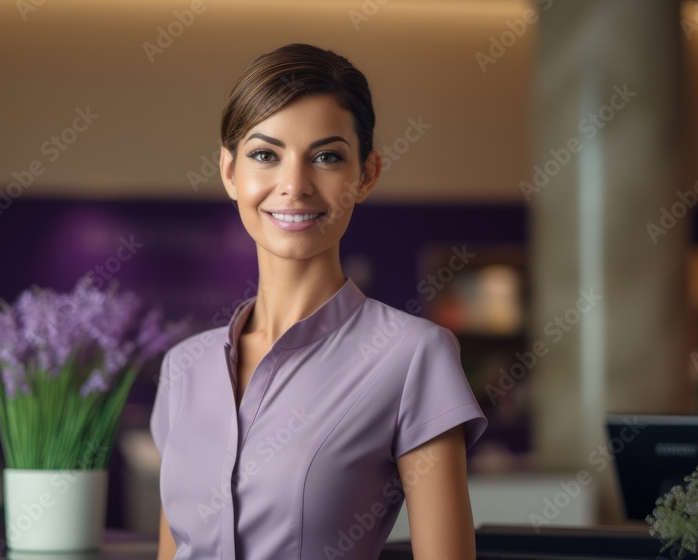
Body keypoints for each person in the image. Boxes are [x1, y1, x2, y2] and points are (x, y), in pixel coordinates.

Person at [151, 43, 488, 560]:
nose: (294, 186)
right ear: (228, 171)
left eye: (327, 157)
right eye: (265, 155)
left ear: (367, 175)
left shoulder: (412, 355)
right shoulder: (184, 368)